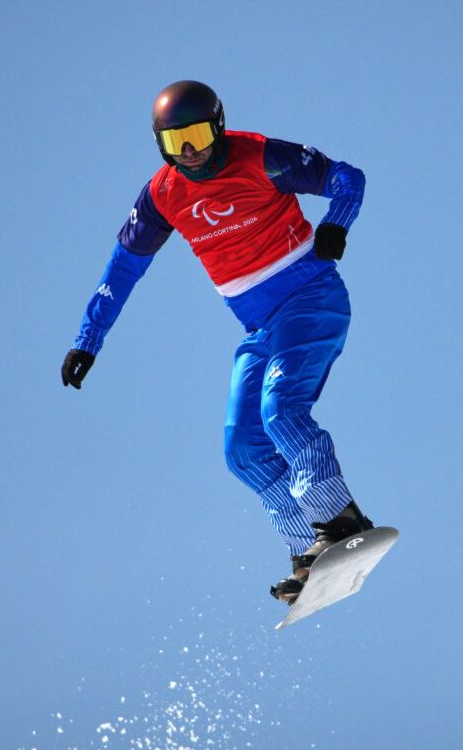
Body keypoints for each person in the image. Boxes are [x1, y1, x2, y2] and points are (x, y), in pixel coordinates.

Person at [61, 80, 373, 605]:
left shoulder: (261, 157)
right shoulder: (163, 194)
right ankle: (308, 552)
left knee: (281, 414)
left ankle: (339, 520)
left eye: (201, 134)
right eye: (176, 142)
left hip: (310, 299)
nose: (192, 151)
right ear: (161, 146)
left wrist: (335, 225)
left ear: (220, 125)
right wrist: (88, 340)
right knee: (243, 449)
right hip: (259, 331)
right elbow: (124, 269)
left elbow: (347, 176)